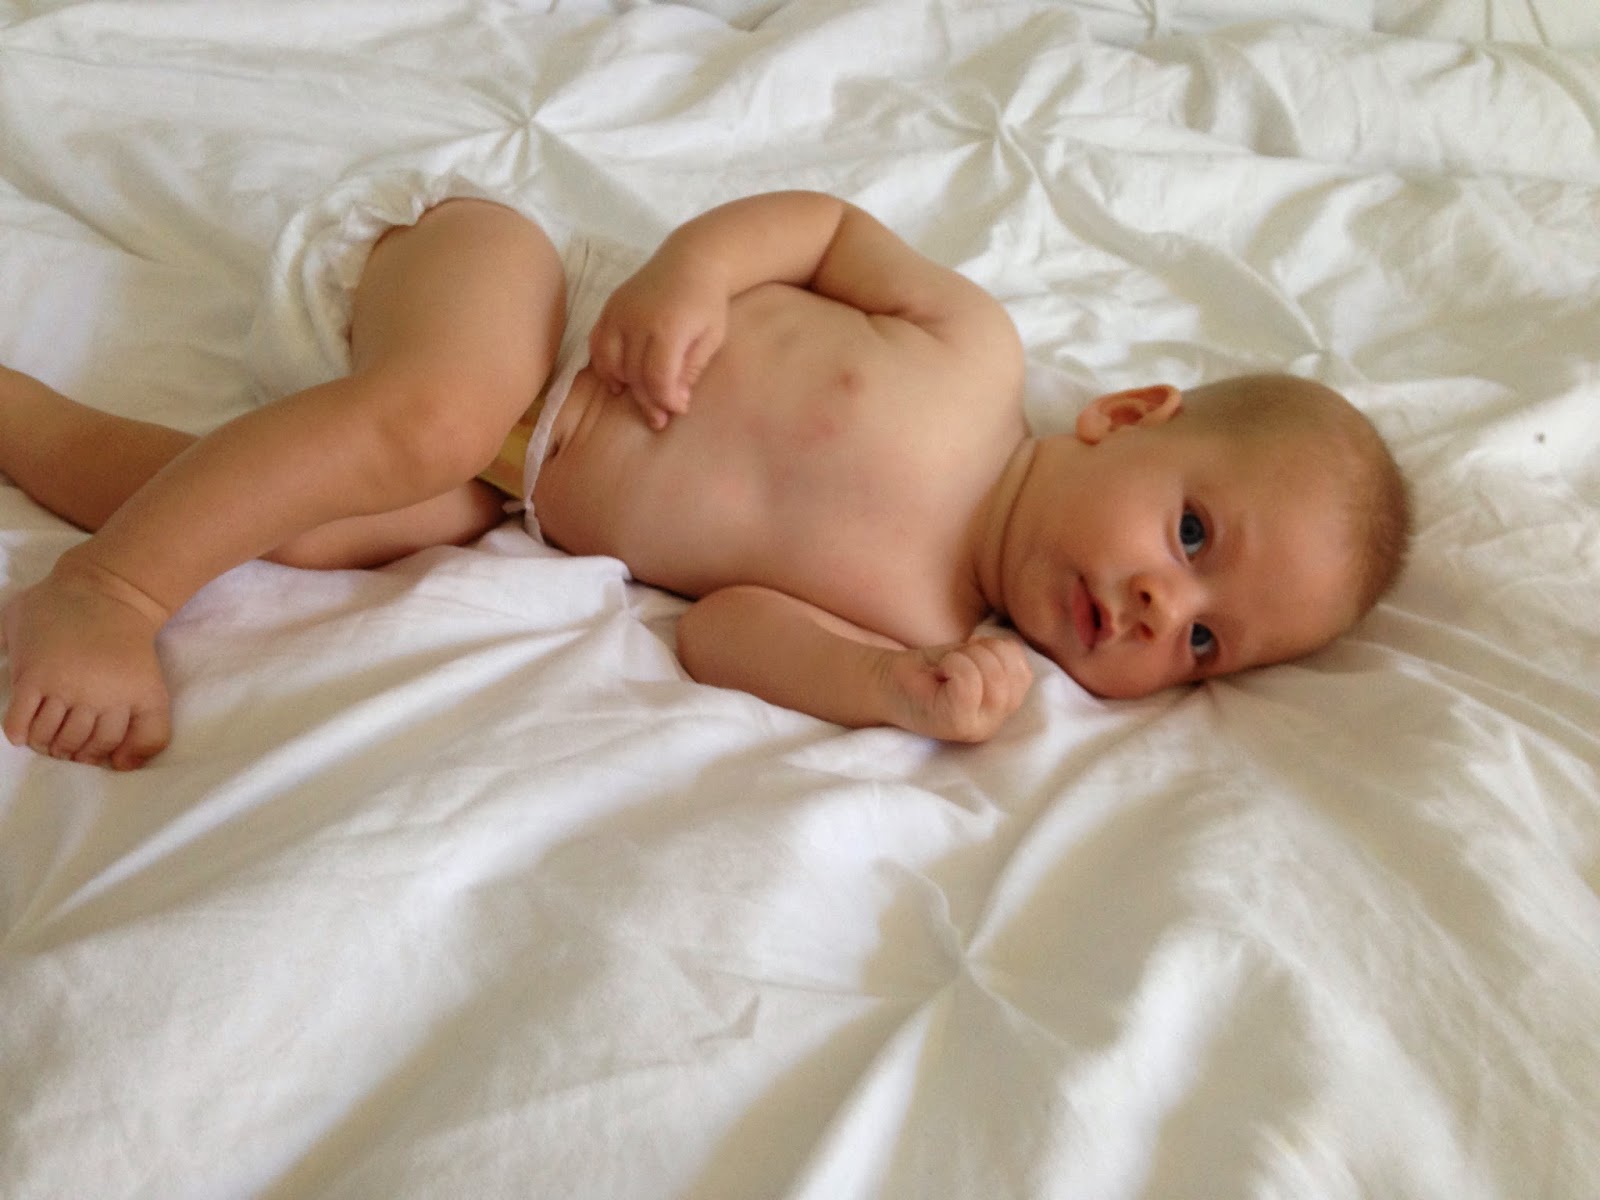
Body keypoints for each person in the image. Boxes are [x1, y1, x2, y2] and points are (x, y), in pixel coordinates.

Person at [0, 188, 1410, 770]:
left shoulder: (926, 624)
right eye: (1194, 533)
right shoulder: (976, 353)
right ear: (1128, 415)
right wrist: (691, 273)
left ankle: (28, 427)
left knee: (328, 528)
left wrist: (887, 690)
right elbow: (825, 229)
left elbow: (723, 630)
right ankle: (110, 594)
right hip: (523, 296)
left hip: (511, 488)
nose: (1165, 606)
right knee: (429, 418)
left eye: (1207, 643)